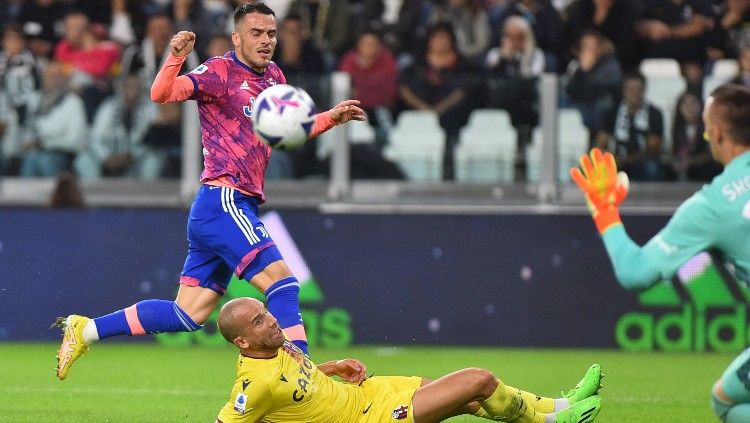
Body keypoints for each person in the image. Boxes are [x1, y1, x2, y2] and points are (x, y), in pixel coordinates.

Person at [53, 2, 366, 380]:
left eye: (271, 33)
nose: (266, 41)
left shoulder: (273, 78)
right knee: (283, 284)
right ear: (237, 37)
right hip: (224, 200)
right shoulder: (220, 71)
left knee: (187, 314)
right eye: (256, 33)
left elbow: (288, 132)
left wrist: (331, 117)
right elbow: (161, 93)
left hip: (222, 208)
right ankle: (308, 379)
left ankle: (84, 329)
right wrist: (174, 57)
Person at [569, 84, 750, 423]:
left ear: (714, 133)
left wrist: (604, 211)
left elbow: (636, 272)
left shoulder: (712, 204)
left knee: (725, 401)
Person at [213, 297, 603, 423]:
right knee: (477, 381)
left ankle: (560, 404)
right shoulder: (254, 384)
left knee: (466, 399)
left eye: (266, 311)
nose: (273, 320)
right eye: (259, 320)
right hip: (372, 419)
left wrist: (331, 368)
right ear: (243, 341)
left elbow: (300, 384)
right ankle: (552, 421)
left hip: (372, 393)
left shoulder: (277, 346)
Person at [594, 72, 666, 181]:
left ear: (644, 90)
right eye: (630, 89)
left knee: (651, 168)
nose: (633, 93)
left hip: (641, 160)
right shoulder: (612, 112)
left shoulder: (654, 113)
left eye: (637, 89)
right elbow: (601, 143)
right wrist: (609, 157)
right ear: (624, 90)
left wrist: (627, 160)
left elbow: (653, 149)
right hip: (615, 159)